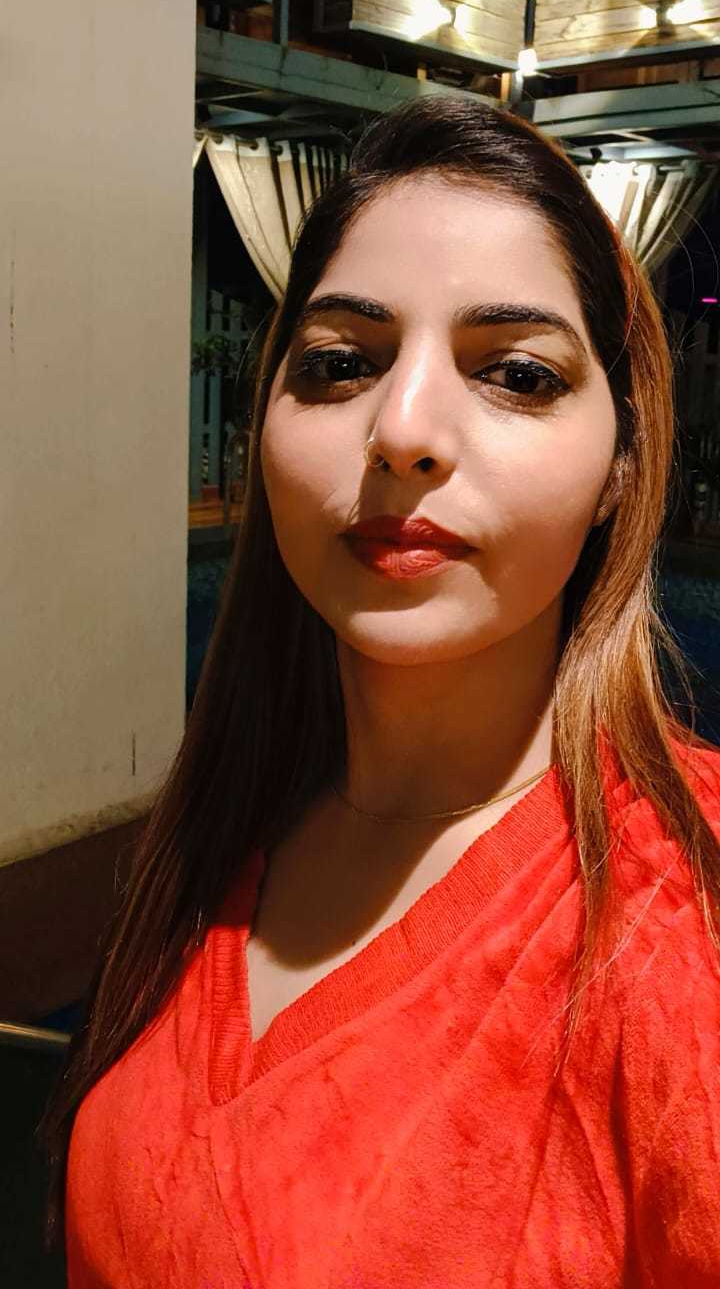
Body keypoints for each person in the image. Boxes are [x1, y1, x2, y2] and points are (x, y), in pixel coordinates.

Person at [41, 96, 720, 1286]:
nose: (402, 430)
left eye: (517, 373)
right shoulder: (227, 830)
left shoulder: (683, 914)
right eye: (340, 364)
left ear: (621, 463)